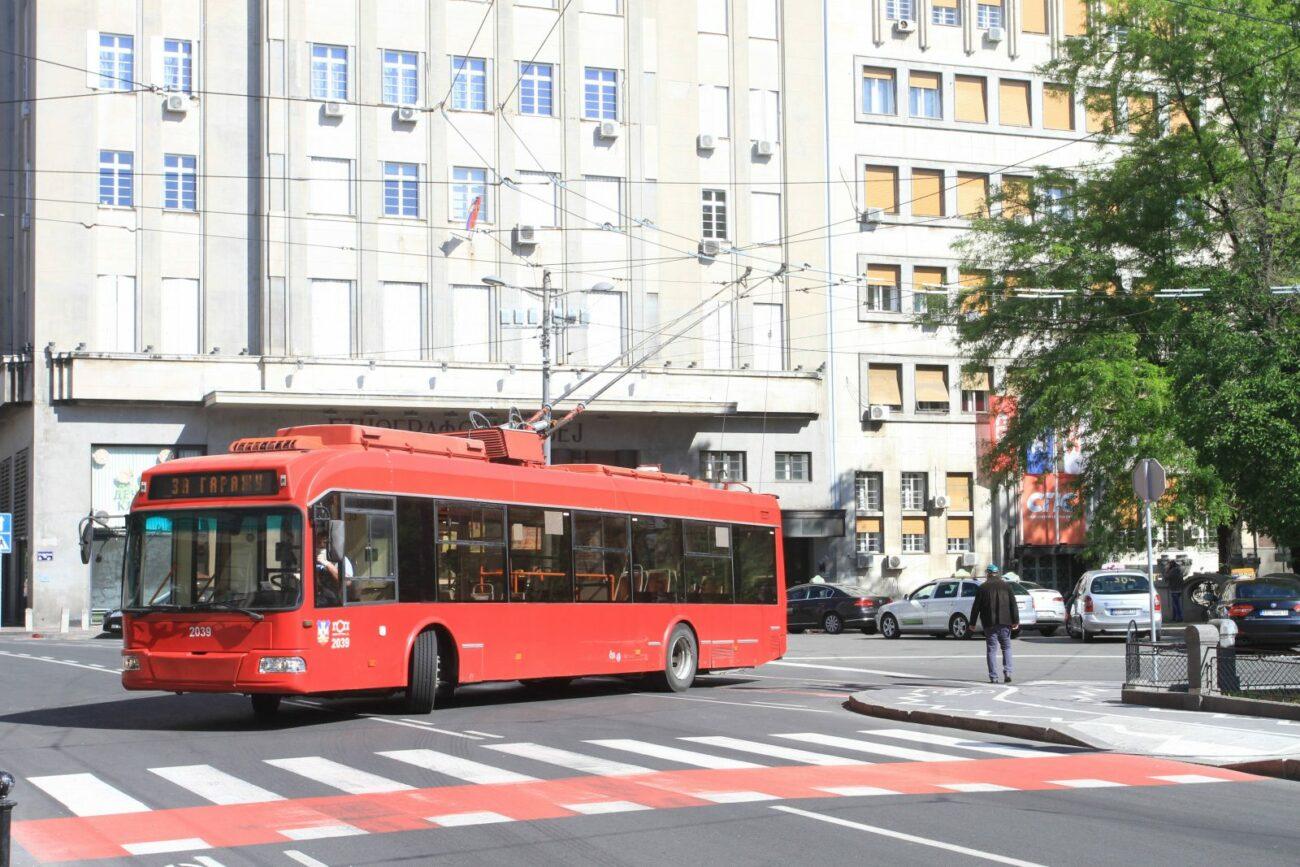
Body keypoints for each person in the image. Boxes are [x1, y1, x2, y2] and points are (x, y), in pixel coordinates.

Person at [971, 564, 1019, 684]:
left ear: (987, 573)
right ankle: (1007, 672)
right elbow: (1013, 604)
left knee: (991, 650)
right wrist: (1015, 621)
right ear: (997, 573)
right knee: (1006, 647)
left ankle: (994, 677)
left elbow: (976, 607)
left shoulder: (982, 588)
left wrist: (972, 623)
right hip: (1005, 622)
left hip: (989, 623)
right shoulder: (1006, 586)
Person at [313, 536, 353, 607]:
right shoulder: (312, 560)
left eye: (325, 542)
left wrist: (328, 564)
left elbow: (347, 582)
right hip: (317, 600)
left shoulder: (341, 560)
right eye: (319, 543)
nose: (321, 545)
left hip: (336, 602)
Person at [1164, 557, 1185, 623]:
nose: (1167, 566)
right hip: (1179, 589)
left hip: (1174, 590)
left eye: (1168, 564)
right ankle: (1174, 617)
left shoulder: (1172, 571)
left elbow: (1166, 577)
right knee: (1175, 604)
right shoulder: (1178, 570)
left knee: (1176, 604)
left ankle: (1179, 617)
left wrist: (1166, 570)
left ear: (1171, 564)